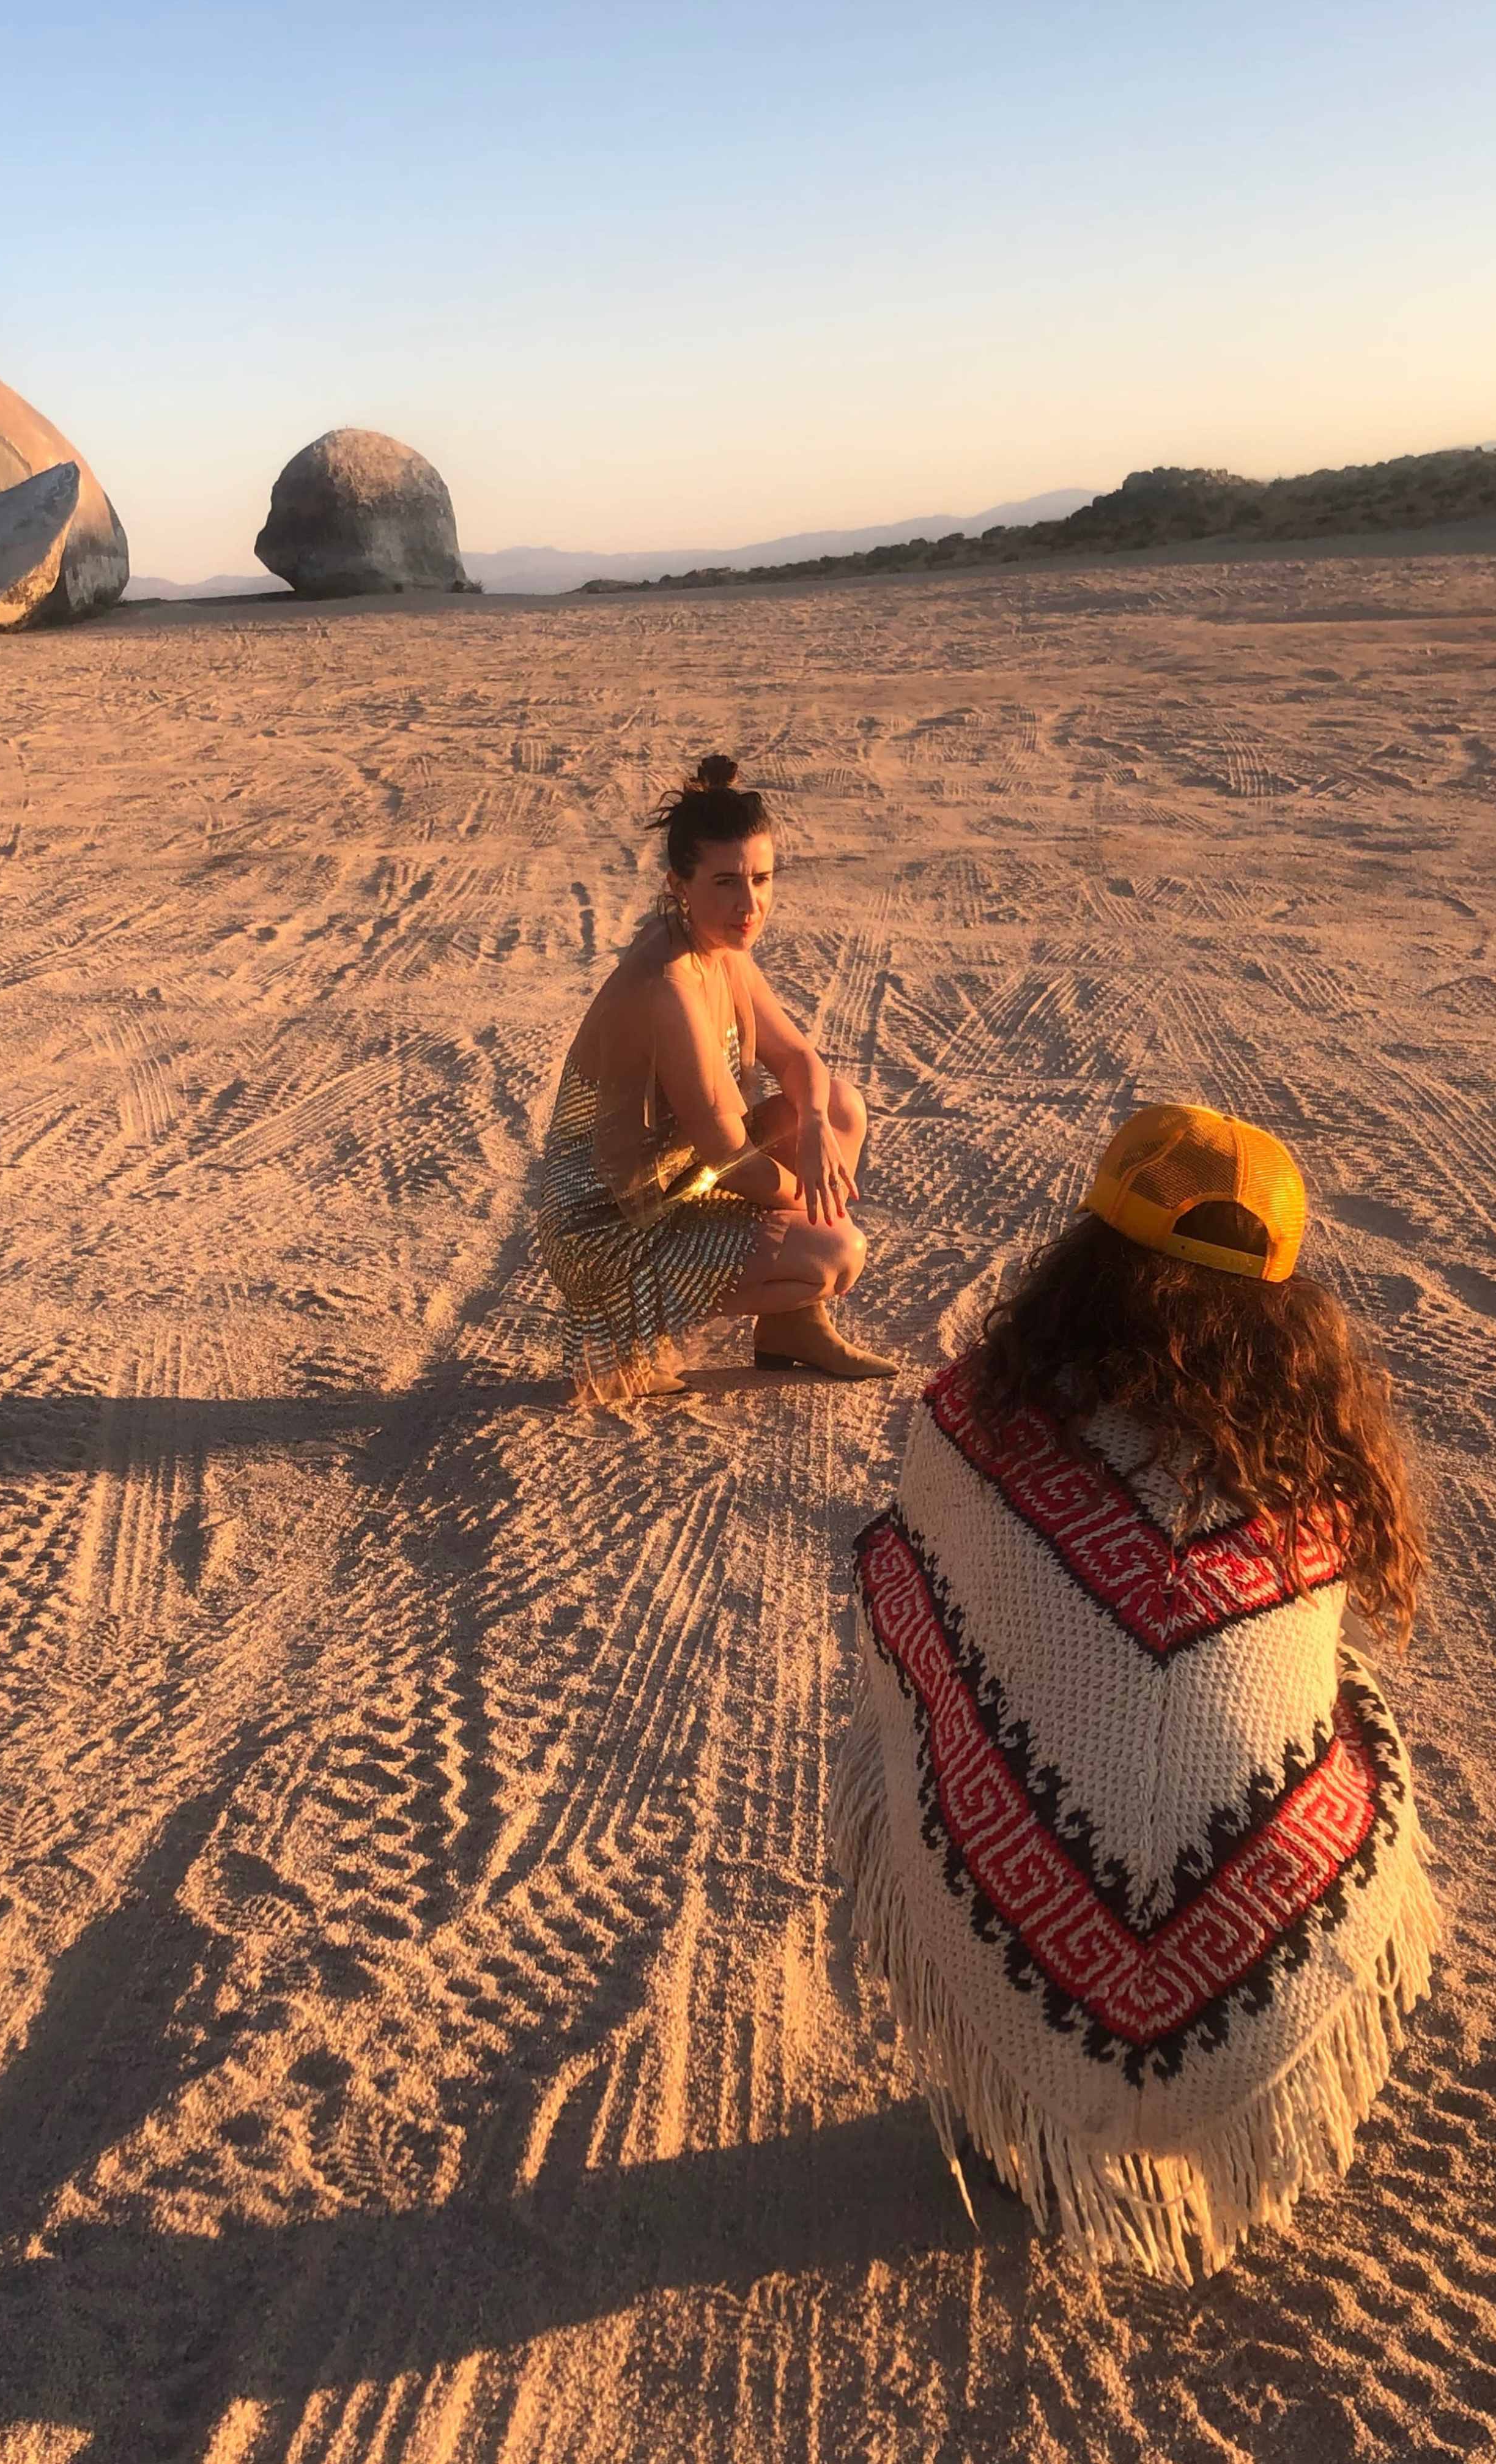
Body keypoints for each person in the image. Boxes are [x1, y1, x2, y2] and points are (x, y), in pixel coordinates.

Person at [831, 1102, 1437, 2279]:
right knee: (1350, 1710)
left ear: (1087, 1256)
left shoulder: (969, 1425)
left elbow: (904, 1612)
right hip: (1270, 1960)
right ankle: (1248, 2084)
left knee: (924, 1664)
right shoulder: (1314, 1475)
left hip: (1018, 1939)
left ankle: (1021, 2090)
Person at [535, 758, 898, 1401]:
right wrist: (812, 1203)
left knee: (838, 1103)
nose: (750, 903)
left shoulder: (721, 948)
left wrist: (813, 1125)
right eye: (727, 882)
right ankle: (627, 1340)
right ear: (680, 884)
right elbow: (731, 1159)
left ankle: (792, 1328)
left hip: (679, 1176)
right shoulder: (668, 980)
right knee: (836, 1249)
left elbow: (800, 1061)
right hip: (610, 1222)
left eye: (761, 879)